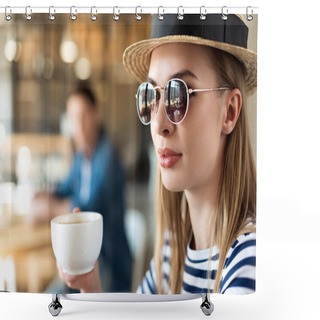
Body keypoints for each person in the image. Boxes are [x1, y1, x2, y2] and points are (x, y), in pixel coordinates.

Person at [58, 13, 257, 295]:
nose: (159, 124)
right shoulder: (171, 251)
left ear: (230, 111)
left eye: (180, 95)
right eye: (152, 96)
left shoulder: (247, 264)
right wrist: (91, 287)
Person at [28, 86, 132, 292]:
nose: (79, 125)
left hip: (108, 266)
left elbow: (86, 209)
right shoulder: (81, 155)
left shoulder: (108, 157)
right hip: (85, 259)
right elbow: (64, 187)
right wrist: (41, 197)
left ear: (96, 114)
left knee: (53, 297)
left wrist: (46, 210)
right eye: (73, 119)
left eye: (84, 116)